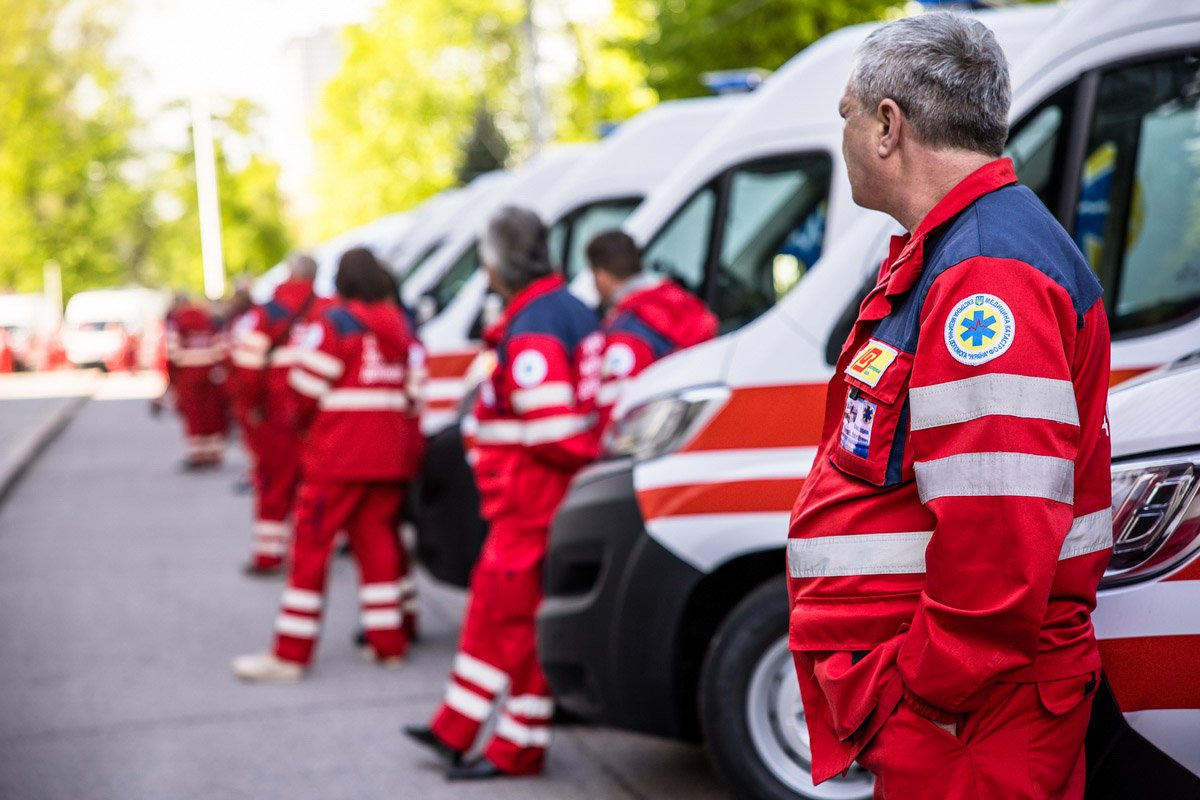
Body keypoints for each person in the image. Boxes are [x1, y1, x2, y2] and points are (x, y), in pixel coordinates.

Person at [785, 14, 1112, 800]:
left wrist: (922, 693)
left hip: (971, 717)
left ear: (888, 126)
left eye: (847, 118)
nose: (846, 139)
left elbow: (1000, 528)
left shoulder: (987, 273)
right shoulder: (963, 250)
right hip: (968, 712)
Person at [404, 207, 602, 780]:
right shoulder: (565, 309)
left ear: (495, 264)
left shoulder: (535, 323)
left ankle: (516, 748)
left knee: (514, 626)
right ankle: (454, 728)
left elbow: (553, 431)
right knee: (492, 617)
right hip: (529, 502)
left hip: (531, 504)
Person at [231, 248, 425, 682]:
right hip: (387, 459)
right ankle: (387, 642)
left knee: (310, 551)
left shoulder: (336, 324)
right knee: (378, 547)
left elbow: (303, 390)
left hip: (337, 459)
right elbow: (416, 395)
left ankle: (290, 655)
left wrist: (297, 424)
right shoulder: (399, 328)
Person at [228, 255, 328, 575]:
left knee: (272, 483)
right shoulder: (328, 310)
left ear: (290, 274)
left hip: (273, 414)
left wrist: (251, 407)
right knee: (310, 485)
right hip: (315, 414)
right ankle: (308, 551)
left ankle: (268, 555)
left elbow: (246, 368)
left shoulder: (267, 312)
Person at [587, 229, 717, 432]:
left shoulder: (626, 332)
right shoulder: (680, 301)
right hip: (699, 422)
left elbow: (618, 414)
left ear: (601, 277)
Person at [164, 293, 227, 468]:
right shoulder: (207, 319)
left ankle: (197, 454)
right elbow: (220, 348)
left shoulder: (178, 322)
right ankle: (214, 452)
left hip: (187, 375)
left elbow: (172, 353)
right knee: (212, 413)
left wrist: (172, 379)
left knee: (193, 414)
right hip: (210, 374)